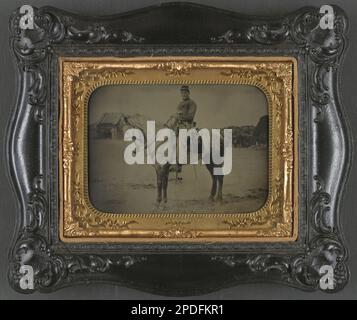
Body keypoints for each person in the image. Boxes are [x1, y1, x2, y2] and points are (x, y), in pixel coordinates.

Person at [165, 85, 198, 182]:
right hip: (179, 125)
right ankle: (171, 162)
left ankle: (179, 165)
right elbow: (177, 116)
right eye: (182, 93)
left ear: (188, 93)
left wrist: (179, 117)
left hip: (188, 125)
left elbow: (190, 116)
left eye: (185, 92)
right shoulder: (180, 104)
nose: (183, 94)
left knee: (182, 139)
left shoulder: (192, 103)